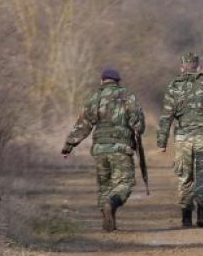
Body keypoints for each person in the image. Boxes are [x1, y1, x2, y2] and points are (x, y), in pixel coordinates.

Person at [61, 68, 145, 232]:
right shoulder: (128, 97)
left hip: (100, 149)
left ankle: (108, 220)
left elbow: (83, 125)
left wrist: (69, 146)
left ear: (102, 81)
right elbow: (138, 126)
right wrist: (137, 129)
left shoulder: (94, 98)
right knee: (124, 183)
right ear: (118, 82)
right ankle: (111, 204)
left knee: (104, 186)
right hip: (121, 148)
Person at [156, 52, 203, 228]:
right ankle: (202, 216)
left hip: (182, 137)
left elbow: (166, 115)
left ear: (182, 68)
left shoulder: (174, 85)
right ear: (199, 67)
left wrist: (162, 141)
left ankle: (186, 217)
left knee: (184, 176)